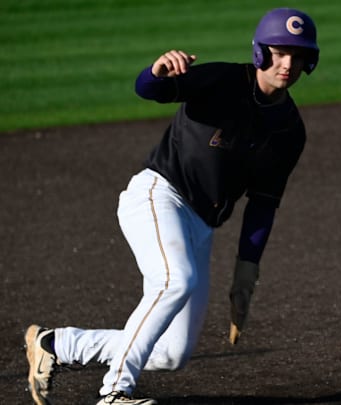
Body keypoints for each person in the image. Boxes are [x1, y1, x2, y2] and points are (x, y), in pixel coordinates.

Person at [24, 7, 319, 405]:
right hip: (159, 195)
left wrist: (246, 274)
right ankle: (115, 392)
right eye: (279, 52)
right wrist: (156, 71)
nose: (288, 63)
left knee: (170, 353)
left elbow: (263, 204)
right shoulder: (223, 80)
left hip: (201, 226)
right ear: (260, 52)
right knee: (174, 281)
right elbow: (150, 90)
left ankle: (58, 345)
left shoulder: (289, 129)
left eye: (297, 55)